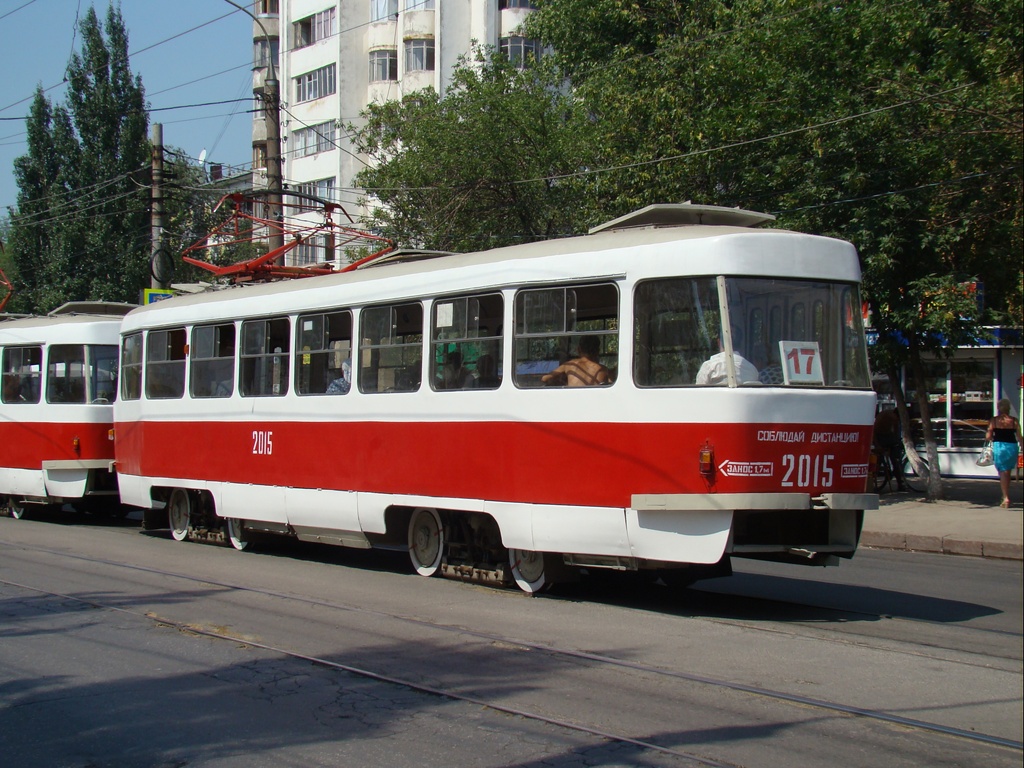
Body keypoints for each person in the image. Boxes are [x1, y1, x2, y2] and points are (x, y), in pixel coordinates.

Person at [985, 398, 1022, 508]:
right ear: (1009, 408)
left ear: (998, 408)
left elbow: (988, 436)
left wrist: (989, 436)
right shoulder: (1014, 421)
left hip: (999, 446)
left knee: (1002, 472)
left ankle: (1005, 497)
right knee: (1007, 472)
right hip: (1011, 447)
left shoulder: (994, 421)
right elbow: (1020, 437)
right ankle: (1005, 495)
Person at [542, 336, 611, 387]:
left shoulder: (570, 365)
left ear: (578, 349)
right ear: (597, 351)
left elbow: (544, 378)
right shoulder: (603, 370)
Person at [873, 405, 908, 491]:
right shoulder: (893, 417)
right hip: (881, 437)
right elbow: (895, 433)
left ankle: (894, 475)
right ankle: (899, 482)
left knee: (891, 455)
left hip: (883, 436)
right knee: (895, 459)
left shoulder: (889, 415)